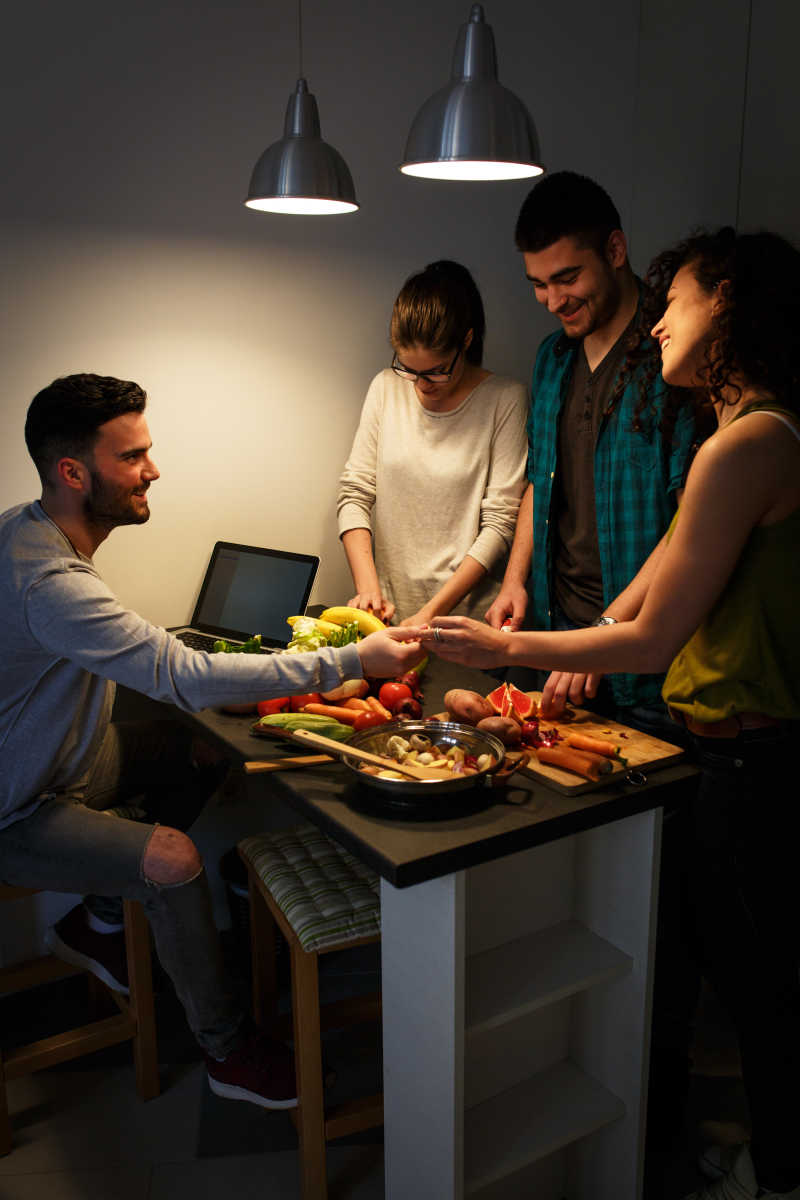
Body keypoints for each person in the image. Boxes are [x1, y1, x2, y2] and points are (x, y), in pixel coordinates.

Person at [409, 228, 800, 1200]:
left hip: (749, 763)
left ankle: (782, 1175)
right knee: (736, 972)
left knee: (761, 992)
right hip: (737, 758)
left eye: (682, 300)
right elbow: (640, 592)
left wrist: (505, 648)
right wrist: (538, 658)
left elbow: (645, 641)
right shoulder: (744, 434)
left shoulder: (745, 445)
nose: (660, 318)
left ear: (733, 311)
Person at [0, 373, 422, 1111]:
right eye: (132, 456)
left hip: (56, 765)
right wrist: (355, 660)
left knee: (192, 751)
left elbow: (149, 664)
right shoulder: (50, 582)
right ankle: (227, 1051)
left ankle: (99, 923)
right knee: (173, 860)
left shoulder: (26, 527)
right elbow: (184, 674)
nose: (152, 470)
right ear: (73, 473)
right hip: (17, 809)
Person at [486, 171, 703, 737]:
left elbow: (691, 525)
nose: (553, 300)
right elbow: (540, 479)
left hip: (640, 669)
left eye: (566, 277)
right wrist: (515, 581)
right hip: (553, 647)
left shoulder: (673, 357)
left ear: (615, 249)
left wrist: (605, 632)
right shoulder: (552, 359)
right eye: (538, 283)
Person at [337, 258, 528, 627]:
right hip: (388, 618)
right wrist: (369, 591)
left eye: (437, 371)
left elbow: (501, 524)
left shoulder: (505, 399)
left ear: (467, 341)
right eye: (409, 369)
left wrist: (430, 614)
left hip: (467, 624)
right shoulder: (386, 387)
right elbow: (354, 494)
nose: (422, 384)